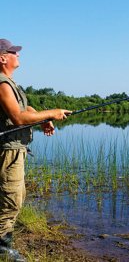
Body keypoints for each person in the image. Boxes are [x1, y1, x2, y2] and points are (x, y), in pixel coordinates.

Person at [0, 38, 72, 261]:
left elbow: (24, 108)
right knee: (9, 201)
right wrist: (51, 113)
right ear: (2, 58)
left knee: (16, 196)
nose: (18, 55)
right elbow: (18, 117)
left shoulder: (10, 83)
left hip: (16, 150)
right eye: (13, 52)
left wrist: (41, 118)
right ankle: (3, 250)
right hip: (8, 151)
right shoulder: (2, 84)